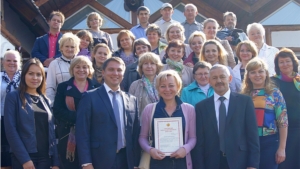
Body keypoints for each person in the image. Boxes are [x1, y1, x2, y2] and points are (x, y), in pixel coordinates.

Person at [76, 57, 140, 169]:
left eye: (119, 70)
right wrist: (86, 163)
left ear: (123, 74)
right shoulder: (89, 97)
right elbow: (82, 132)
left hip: (126, 160)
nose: (115, 73)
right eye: (111, 69)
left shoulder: (132, 99)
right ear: (103, 73)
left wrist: (135, 162)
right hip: (99, 160)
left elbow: (135, 133)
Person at [192, 64, 260, 169]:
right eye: (214, 78)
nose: (219, 80)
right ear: (209, 81)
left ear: (230, 78)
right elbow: (200, 142)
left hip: (239, 160)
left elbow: (252, 135)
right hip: (212, 162)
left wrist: (252, 164)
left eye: (222, 77)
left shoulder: (245, 102)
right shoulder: (201, 107)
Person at [4, 58, 59, 169]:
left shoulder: (46, 100)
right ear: (24, 75)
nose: (35, 78)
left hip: (46, 158)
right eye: (31, 74)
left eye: (39, 74)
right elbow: (11, 131)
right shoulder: (13, 97)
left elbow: (52, 133)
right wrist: (25, 160)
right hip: (24, 159)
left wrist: (56, 162)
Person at [139, 69, 196, 169]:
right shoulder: (149, 109)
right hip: (156, 164)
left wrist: (185, 149)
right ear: (157, 88)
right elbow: (142, 137)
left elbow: (193, 137)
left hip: (182, 163)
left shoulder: (189, 109)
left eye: (171, 85)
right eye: (162, 86)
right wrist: (150, 150)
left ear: (178, 87)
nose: (167, 89)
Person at [242, 58, 288, 169]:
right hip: (248, 143)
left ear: (266, 74)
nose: (257, 75)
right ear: (248, 75)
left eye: (260, 71)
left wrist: (282, 148)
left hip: (269, 142)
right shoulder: (243, 95)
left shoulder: (275, 93)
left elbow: (283, 122)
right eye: (253, 72)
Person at [52, 56, 95, 169]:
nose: (81, 70)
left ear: (90, 70)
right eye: (77, 67)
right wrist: (79, 118)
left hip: (91, 134)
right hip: (68, 134)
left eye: (85, 67)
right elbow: (57, 110)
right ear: (72, 69)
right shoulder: (63, 87)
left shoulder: (97, 88)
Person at [271, 48, 300, 169]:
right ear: (277, 65)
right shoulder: (273, 81)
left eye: (287, 61)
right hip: (282, 130)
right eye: (281, 62)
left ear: (293, 62)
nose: (285, 64)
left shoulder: (299, 80)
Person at [46, 32, 80, 106]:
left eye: (72, 47)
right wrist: (52, 105)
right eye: (67, 46)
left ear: (76, 48)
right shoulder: (54, 64)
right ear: (61, 47)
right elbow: (50, 87)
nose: (69, 49)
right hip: (61, 103)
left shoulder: (81, 63)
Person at [1, 50, 21, 169]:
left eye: (15, 61)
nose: (12, 63)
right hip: (1, 118)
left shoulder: (26, 78)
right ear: (3, 62)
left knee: (16, 148)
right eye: (8, 60)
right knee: (3, 149)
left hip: (19, 119)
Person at [129, 52, 163, 116]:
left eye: (152, 63)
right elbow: (130, 107)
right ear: (141, 67)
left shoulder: (164, 83)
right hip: (142, 122)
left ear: (157, 66)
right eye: (146, 63)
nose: (149, 66)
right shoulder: (134, 85)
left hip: (161, 121)